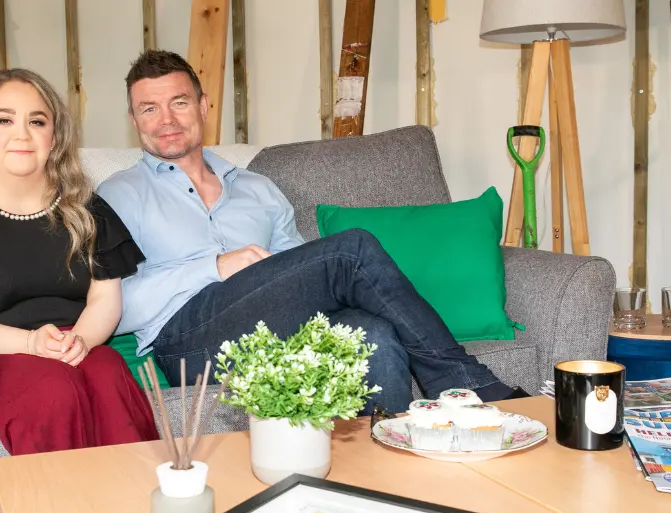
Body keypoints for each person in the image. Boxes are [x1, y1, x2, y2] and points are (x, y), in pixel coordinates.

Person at [97, 50, 529, 413]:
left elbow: (304, 278)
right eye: (149, 109)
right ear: (134, 120)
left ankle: (387, 466)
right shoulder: (118, 195)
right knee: (350, 250)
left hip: (272, 328)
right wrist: (213, 267)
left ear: (203, 106)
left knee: (372, 335)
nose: (166, 120)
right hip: (188, 346)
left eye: (179, 102)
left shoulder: (258, 188)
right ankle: (465, 383)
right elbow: (115, 308)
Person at [0, 68, 159, 455]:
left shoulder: (88, 211)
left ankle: (135, 489)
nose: (22, 134)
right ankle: (57, 495)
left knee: (108, 369)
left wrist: (79, 341)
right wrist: (30, 343)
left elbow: (104, 299)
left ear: (53, 138)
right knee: (52, 386)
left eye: (37, 121)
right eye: (4, 120)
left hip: (76, 343)